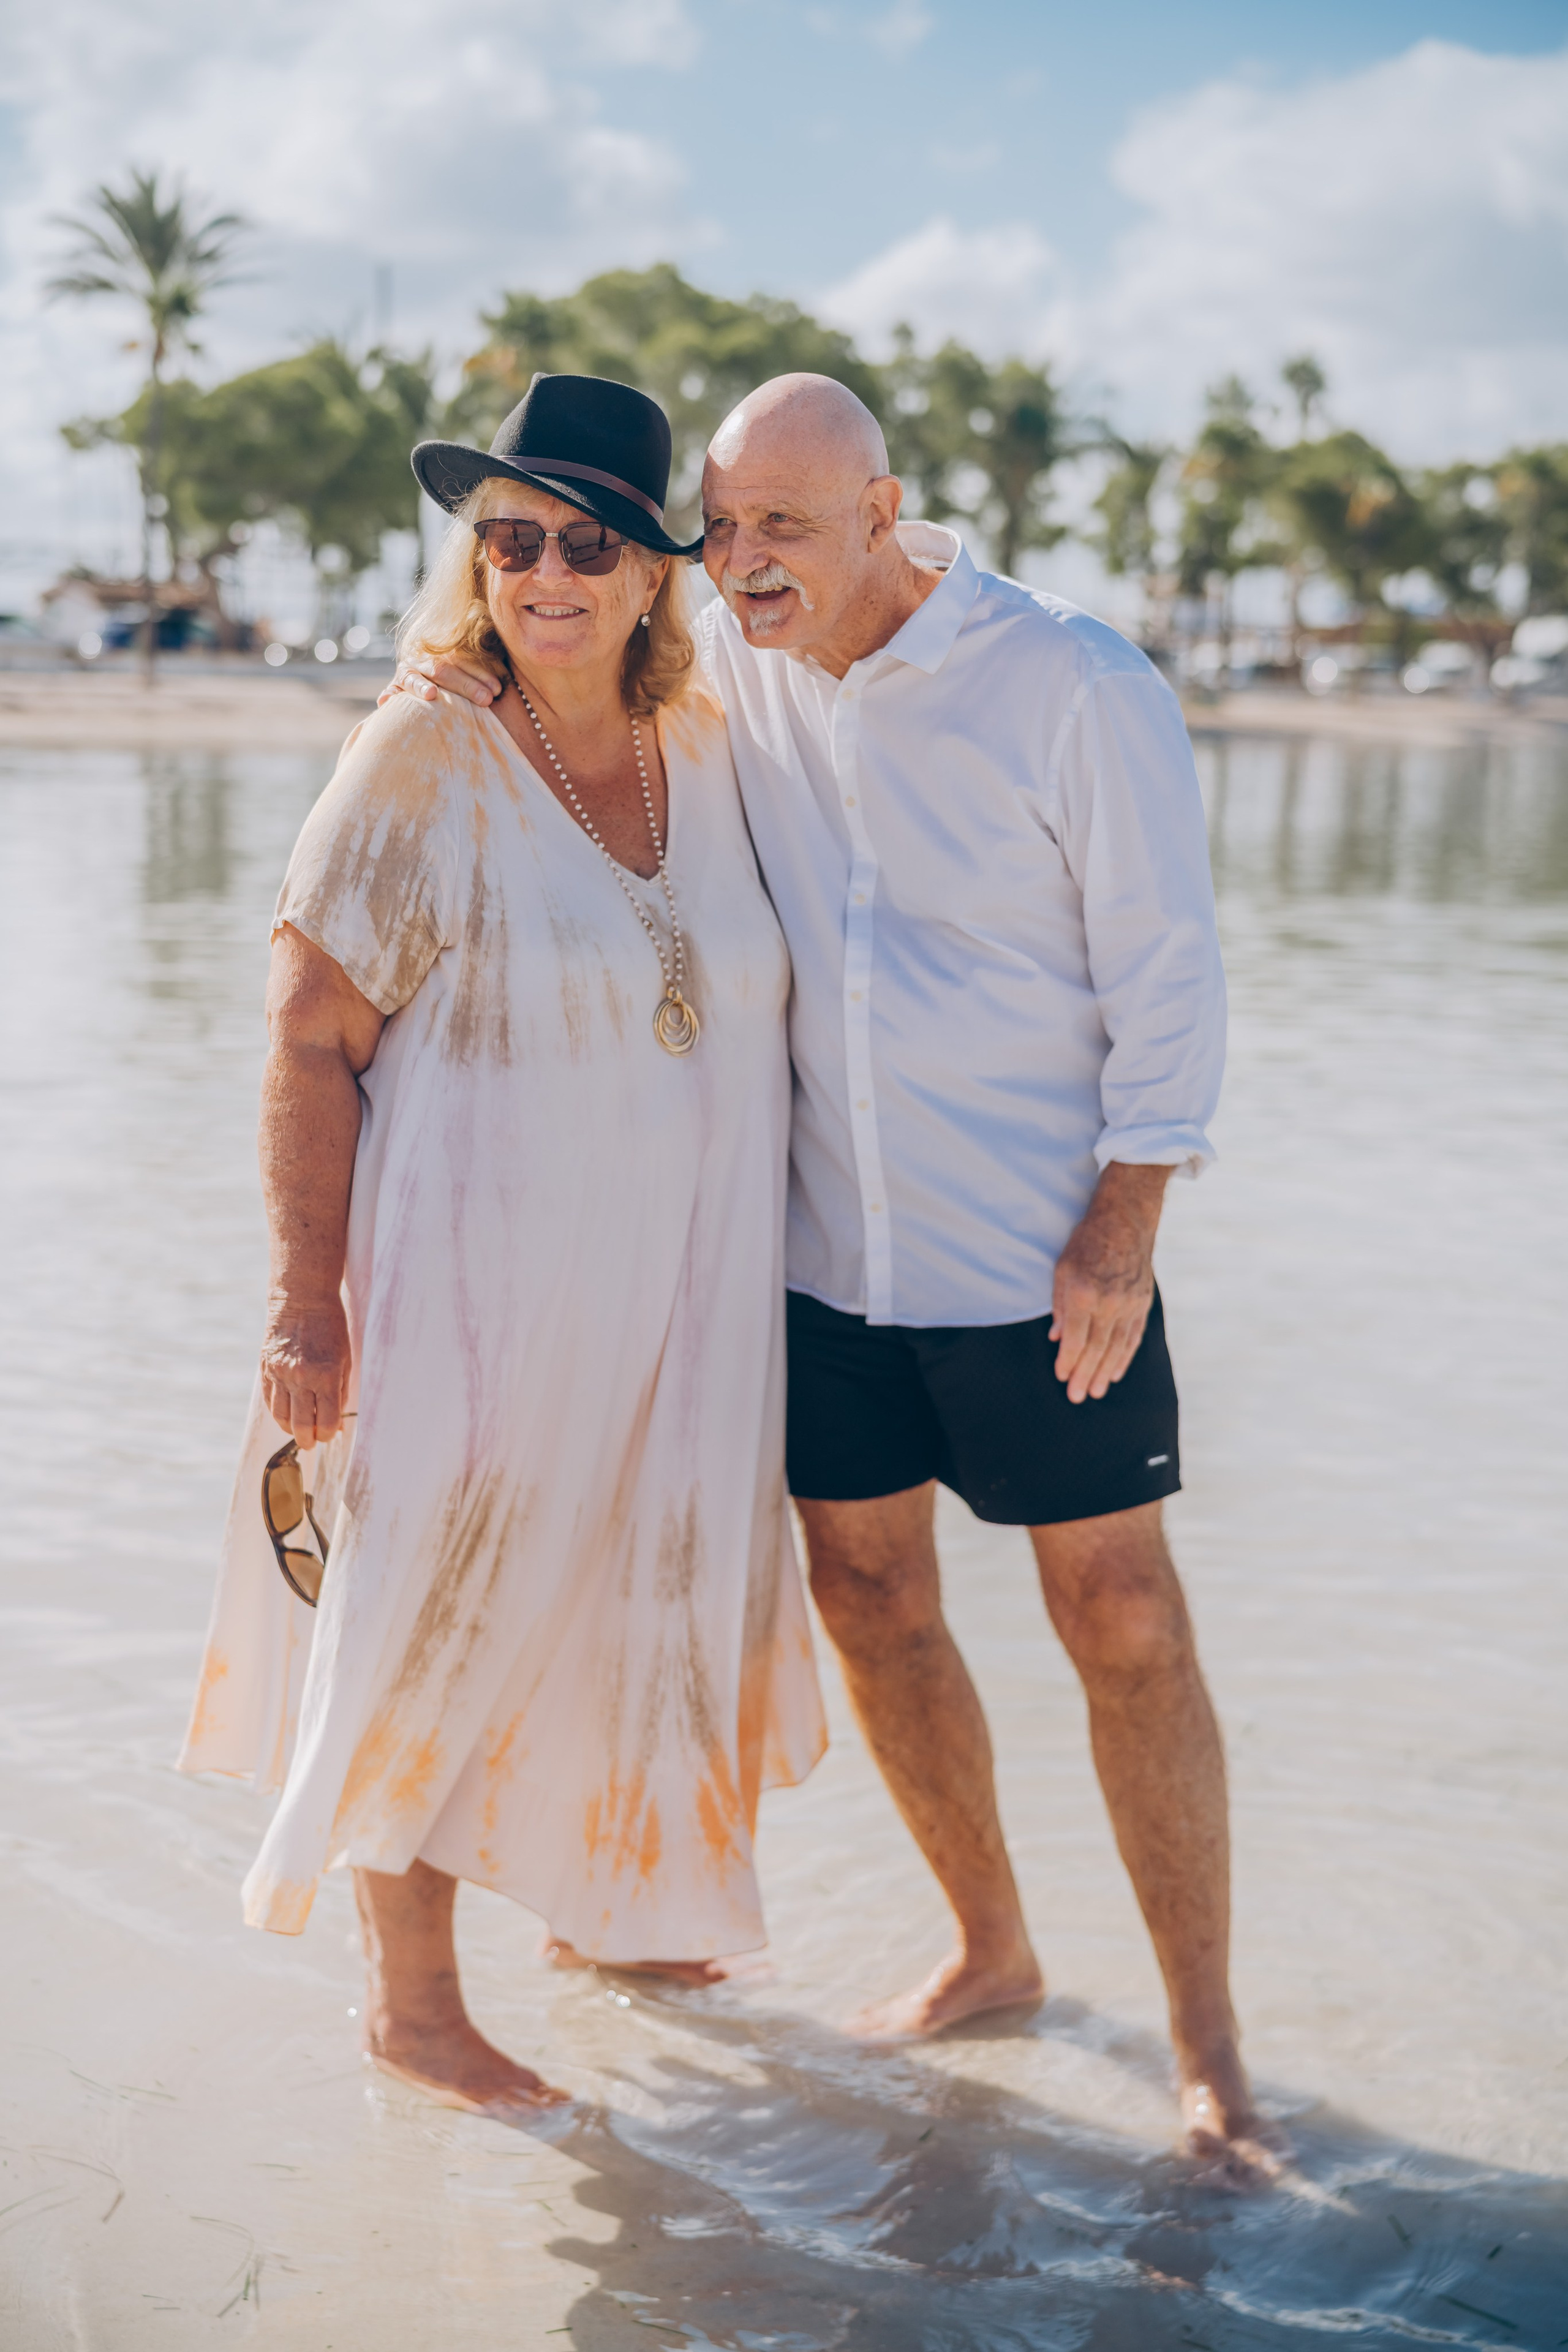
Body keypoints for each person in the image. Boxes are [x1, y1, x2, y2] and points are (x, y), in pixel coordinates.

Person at [391, 372, 1280, 2173]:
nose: (741, 561)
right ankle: (991, 1951)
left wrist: (1127, 1225)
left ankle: (1211, 2050)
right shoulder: (733, 667)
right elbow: (575, 684)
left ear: (886, 516)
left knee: (1123, 1618)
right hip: (821, 1266)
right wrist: (460, 689)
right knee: (871, 1600)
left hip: (1046, 1262)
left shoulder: (1074, 682)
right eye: (722, 527)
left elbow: (1170, 979)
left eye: (783, 526)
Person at [179, 373, 826, 2117]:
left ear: (652, 573)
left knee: (637, 1592)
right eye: (512, 540)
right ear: (477, 561)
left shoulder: (709, 743)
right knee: (436, 1603)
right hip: (471, 1298)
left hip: (681, 1301)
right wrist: (303, 1307)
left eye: (588, 545)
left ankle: (617, 1914)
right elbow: (306, 1036)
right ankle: (411, 2009)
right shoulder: (425, 751)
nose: (546, 573)